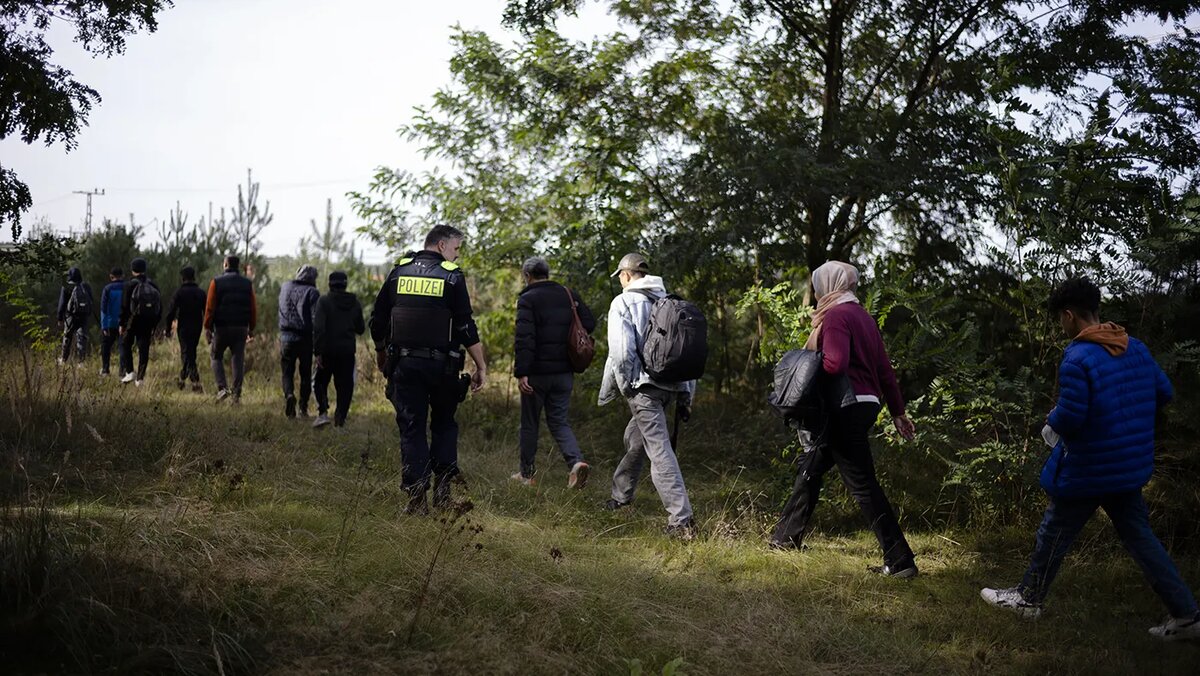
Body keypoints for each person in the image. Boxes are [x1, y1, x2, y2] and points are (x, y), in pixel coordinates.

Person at [981, 277, 1199, 640]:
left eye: (1060, 320)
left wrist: (1050, 422)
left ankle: (1028, 599)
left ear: (1069, 316)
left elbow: (1071, 416)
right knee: (1141, 538)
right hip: (1127, 468)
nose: (1061, 327)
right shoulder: (1136, 347)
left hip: (1087, 469)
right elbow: (1164, 391)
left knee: (1053, 532)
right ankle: (1187, 615)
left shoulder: (1077, 357)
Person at [767, 261, 918, 578]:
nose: (817, 290)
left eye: (819, 284)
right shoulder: (864, 317)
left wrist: (806, 366)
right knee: (813, 467)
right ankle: (784, 539)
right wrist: (898, 413)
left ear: (829, 285)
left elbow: (835, 364)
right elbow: (885, 372)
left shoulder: (835, 316)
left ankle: (900, 559)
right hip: (865, 404)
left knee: (863, 485)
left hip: (843, 406)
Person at [370, 225, 487, 515]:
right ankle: (443, 493)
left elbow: (378, 319)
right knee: (444, 425)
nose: (457, 256)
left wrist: (381, 353)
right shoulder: (452, 276)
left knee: (412, 428)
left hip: (405, 365)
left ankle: (416, 499)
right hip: (443, 367)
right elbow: (465, 326)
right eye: (456, 249)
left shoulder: (399, 272)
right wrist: (481, 365)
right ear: (441, 245)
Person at [598, 253, 697, 540]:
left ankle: (681, 520)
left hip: (644, 387)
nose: (619, 280)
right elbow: (685, 352)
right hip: (672, 387)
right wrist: (686, 396)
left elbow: (621, 351)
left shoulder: (624, 302)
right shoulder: (669, 302)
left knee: (659, 451)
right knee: (637, 440)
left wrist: (628, 385)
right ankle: (620, 496)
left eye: (619, 276)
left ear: (627, 275)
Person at [510, 256, 596, 488]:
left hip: (537, 374)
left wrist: (522, 372)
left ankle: (527, 475)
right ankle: (576, 463)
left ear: (527, 276)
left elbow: (524, 339)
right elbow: (588, 322)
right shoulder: (568, 294)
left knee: (530, 423)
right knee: (559, 421)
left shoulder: (528, 299)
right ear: (547, 273)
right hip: (564, 372)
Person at [312, 270, 365, 429]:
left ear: (329, 284)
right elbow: (361, 329)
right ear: (345, 284)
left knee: (320, 382)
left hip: (327, 351)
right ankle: (340, 420)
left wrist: (318, 352)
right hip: (347, 352)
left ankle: (322, 413)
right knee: (345, 386)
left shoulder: (324, 301)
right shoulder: (354, 302)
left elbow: (319, 328)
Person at [204, 255, 257, 403]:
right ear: (238, 266)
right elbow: (253, 308)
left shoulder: (216, 282)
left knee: (216, 356)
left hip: (221, 327)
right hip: (241, 328)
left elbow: (209, 307)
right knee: (238, 359)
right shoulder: (247, 284)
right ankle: (236, 396)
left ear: (226, 264)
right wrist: (251, 328)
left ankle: (222, 388)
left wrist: (207, 327)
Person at [278, 265, 321, 418]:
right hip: (305, 339)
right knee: (305, 373)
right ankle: (303, 408)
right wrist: (318, 348)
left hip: (286, 337)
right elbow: (316, 320)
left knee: (287, 372)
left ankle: (289, 395)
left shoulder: (285, 287)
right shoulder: (312, 292)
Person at [164, 266, 208, 392]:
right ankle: (191, 381)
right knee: (191, 351)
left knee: (186, 351)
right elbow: (207, 311)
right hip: (196, 325)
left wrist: (168, 328)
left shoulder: (179, 292)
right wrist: (208, 327)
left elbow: (171, 312)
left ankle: (188, 380)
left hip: (183, 326)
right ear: (194, 277)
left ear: (183, 278)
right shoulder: (200, 293)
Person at [119, 257, 162, 386]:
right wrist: (155, 323)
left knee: (126, 343)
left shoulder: (129, 285)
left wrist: (122, 323)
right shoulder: (153, 285)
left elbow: (125, 306)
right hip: (147, 322)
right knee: (144, 348)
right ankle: (140, 378)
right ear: (145, 269)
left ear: (133, 270)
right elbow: (159, 307)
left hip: (132, 321)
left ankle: (130, 372)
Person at [56, 267, 94, 365]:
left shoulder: (66, 287)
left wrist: (60, 318)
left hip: (70, 317)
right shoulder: (86, 286)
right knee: (82, 338)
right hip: (83, 317)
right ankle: (81, 362)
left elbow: (62, 303)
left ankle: (63, 360)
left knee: (67, 337)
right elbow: (91, 301)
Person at [99, 267, 124, 376]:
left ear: (111, 276)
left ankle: (105, 370)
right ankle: (122, 371)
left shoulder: (107, 289)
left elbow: (103, 308)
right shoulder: (127, 287)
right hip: (123, 323)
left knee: (106, 347)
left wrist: (104, 325)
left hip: (110, 323)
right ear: (122, 275)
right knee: (123, 347)